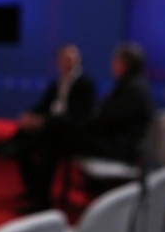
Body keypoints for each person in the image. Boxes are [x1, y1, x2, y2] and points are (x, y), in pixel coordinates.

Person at [17, 42, 155, 213]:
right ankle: (39, 195)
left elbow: (107, 120)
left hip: (116, 147)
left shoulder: (131, 88)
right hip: (113, 142)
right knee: (50, 133)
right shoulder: (132, 85)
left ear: (125, 63)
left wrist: (84, 125)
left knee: (52, 137)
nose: (113, 65)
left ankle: (41, 200)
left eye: (115, 61)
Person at [3, 45, 97, 197]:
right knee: (26, 138)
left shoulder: (86, 84)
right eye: (66, 59)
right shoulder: (56, 84)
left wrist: (44, 121)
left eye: (73, 58)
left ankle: (41, 199)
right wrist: (30, 116)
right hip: (51, 128)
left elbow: (78, 116)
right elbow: (43, 105)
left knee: (46, 146)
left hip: (70, 134)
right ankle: (33, 190)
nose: (71, 62)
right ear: (58, 62)